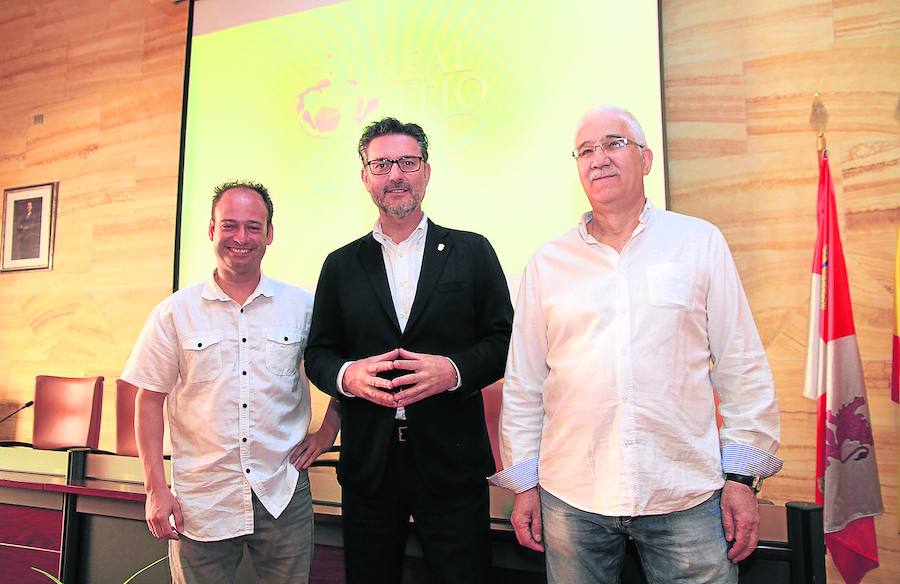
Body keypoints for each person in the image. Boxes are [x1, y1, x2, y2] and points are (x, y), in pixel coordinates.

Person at [491, 106, 782, 583]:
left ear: (646, 159)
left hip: (685, 492)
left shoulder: (699, 242)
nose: (598, 158)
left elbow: (742, 366)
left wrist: (742, 479)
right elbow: (526, 383)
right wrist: (524, 485)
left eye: (613, 143)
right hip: (572, 496)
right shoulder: (547, 263)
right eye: (586, 150)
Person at [304, 117, 513, 584]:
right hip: (369, 466)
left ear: (426, 171)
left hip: (452, 460)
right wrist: (347, 377)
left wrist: (454, 371)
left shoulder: (472, 251)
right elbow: (318, 353)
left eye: (407, 162)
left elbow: (504, 341)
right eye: (381, 164)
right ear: (364, 176)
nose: (395, 174)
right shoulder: (340, 265)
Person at [121, 180, 341, 584]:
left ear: (270, 234)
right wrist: (155, 488)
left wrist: (327, 432)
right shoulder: (174, 313)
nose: (241, 237)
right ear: (210, 230)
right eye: (229, 225)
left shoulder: (303, 307)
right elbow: (148, 400)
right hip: (201, 497)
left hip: (283, 493)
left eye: (253, 227)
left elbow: (340, 371)